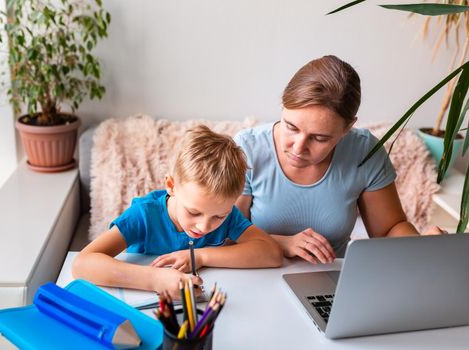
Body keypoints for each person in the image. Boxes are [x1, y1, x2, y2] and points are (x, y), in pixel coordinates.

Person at [233, 55, 444, 264]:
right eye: (291, 127)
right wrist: (282, 243)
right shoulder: (248, 149)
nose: (298, 147)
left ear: (347, 128)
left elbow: (389, 229)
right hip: (258, 273)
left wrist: (421, 246)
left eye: (320, 138)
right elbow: (221, 233)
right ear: (283, 106)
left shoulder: (364, 151)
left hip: (333, 280)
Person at [73, 125, 283, 298]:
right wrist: (155, 279)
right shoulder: (144, 215)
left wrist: (200, 257)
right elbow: (83, 264)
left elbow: (271, 254)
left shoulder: (227, 215)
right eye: (193, 212)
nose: (204, 226)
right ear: (171, 186)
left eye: (219, 216)